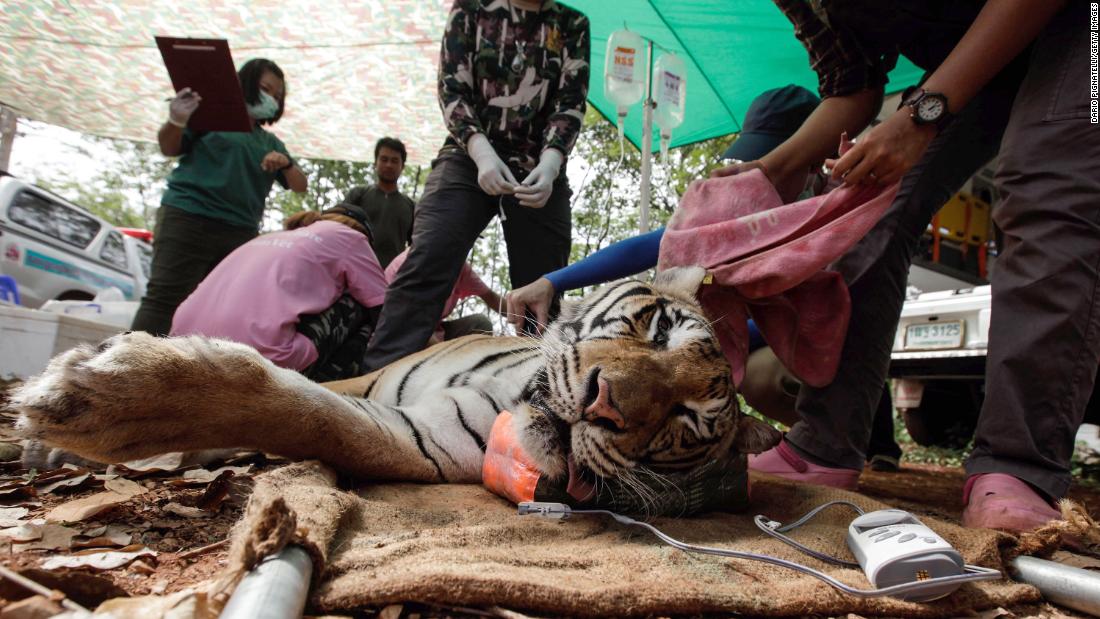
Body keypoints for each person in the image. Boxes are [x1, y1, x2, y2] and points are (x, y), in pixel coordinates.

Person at [721, 1, 1097, 532]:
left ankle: (1019, 467)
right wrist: (769, 169)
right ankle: (824, 445)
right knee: (864, 207)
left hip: (1082, 23)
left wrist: (925, 113)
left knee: (1049, 187)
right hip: (968, 62)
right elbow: (851, 83)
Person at [506, 85, 904, 471]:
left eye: (768, 162)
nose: (749, 176)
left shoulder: (832, 219)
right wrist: (554, 280)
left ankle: (863, 440)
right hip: (770, 343)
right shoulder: (745, 215)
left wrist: (697, 345)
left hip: (831, 361)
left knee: (762, 378)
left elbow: (823, 323)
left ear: (810, 160)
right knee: (726, 370)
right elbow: (656, 245)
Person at [358, 0, 590, 372]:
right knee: (431, 254)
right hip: (467, 155)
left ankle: (542, 388)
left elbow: (571, 101)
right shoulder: (471, 8)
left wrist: (552, 162)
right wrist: (480, 150)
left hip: (539, 165)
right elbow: (452, 87)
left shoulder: (573, 23)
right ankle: (377, 378)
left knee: (545, 283)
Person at [132, 58, 308, 336]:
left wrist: (286, 163)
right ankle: (126, 371)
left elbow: (299, 185)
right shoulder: (210, 118)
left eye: (277, 96)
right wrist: (177, 119)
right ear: (245, 84)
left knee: (217, 309)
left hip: (238, 233)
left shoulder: (270, 143)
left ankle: (178, 373)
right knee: (165, 300)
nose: (271, 99)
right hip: (188, 218)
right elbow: (169, 146)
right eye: (265, 89)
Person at [171, 203, 386, 382]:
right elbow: (384, 307)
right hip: (260, 359)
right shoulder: (352, 237)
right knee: (361, 305)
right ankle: (330, 390)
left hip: (183, 346)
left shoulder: (276, 236)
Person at [386, 248, 503, 345]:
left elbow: (491, 298)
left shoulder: (459, 266)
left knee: (480, 324)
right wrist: (445, 355)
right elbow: (412, 323)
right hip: (401, 335)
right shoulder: (413, 262)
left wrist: (519, 313)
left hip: (435, 334)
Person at [342, 137, 417, 269]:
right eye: (384, 159)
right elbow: (339, 230)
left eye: (394, 161)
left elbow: (416, 246)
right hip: (354, 270)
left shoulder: (410, 206)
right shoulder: (358, 195)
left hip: (392, 278)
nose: (389, 165)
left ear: (402, 166)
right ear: (375, 163)